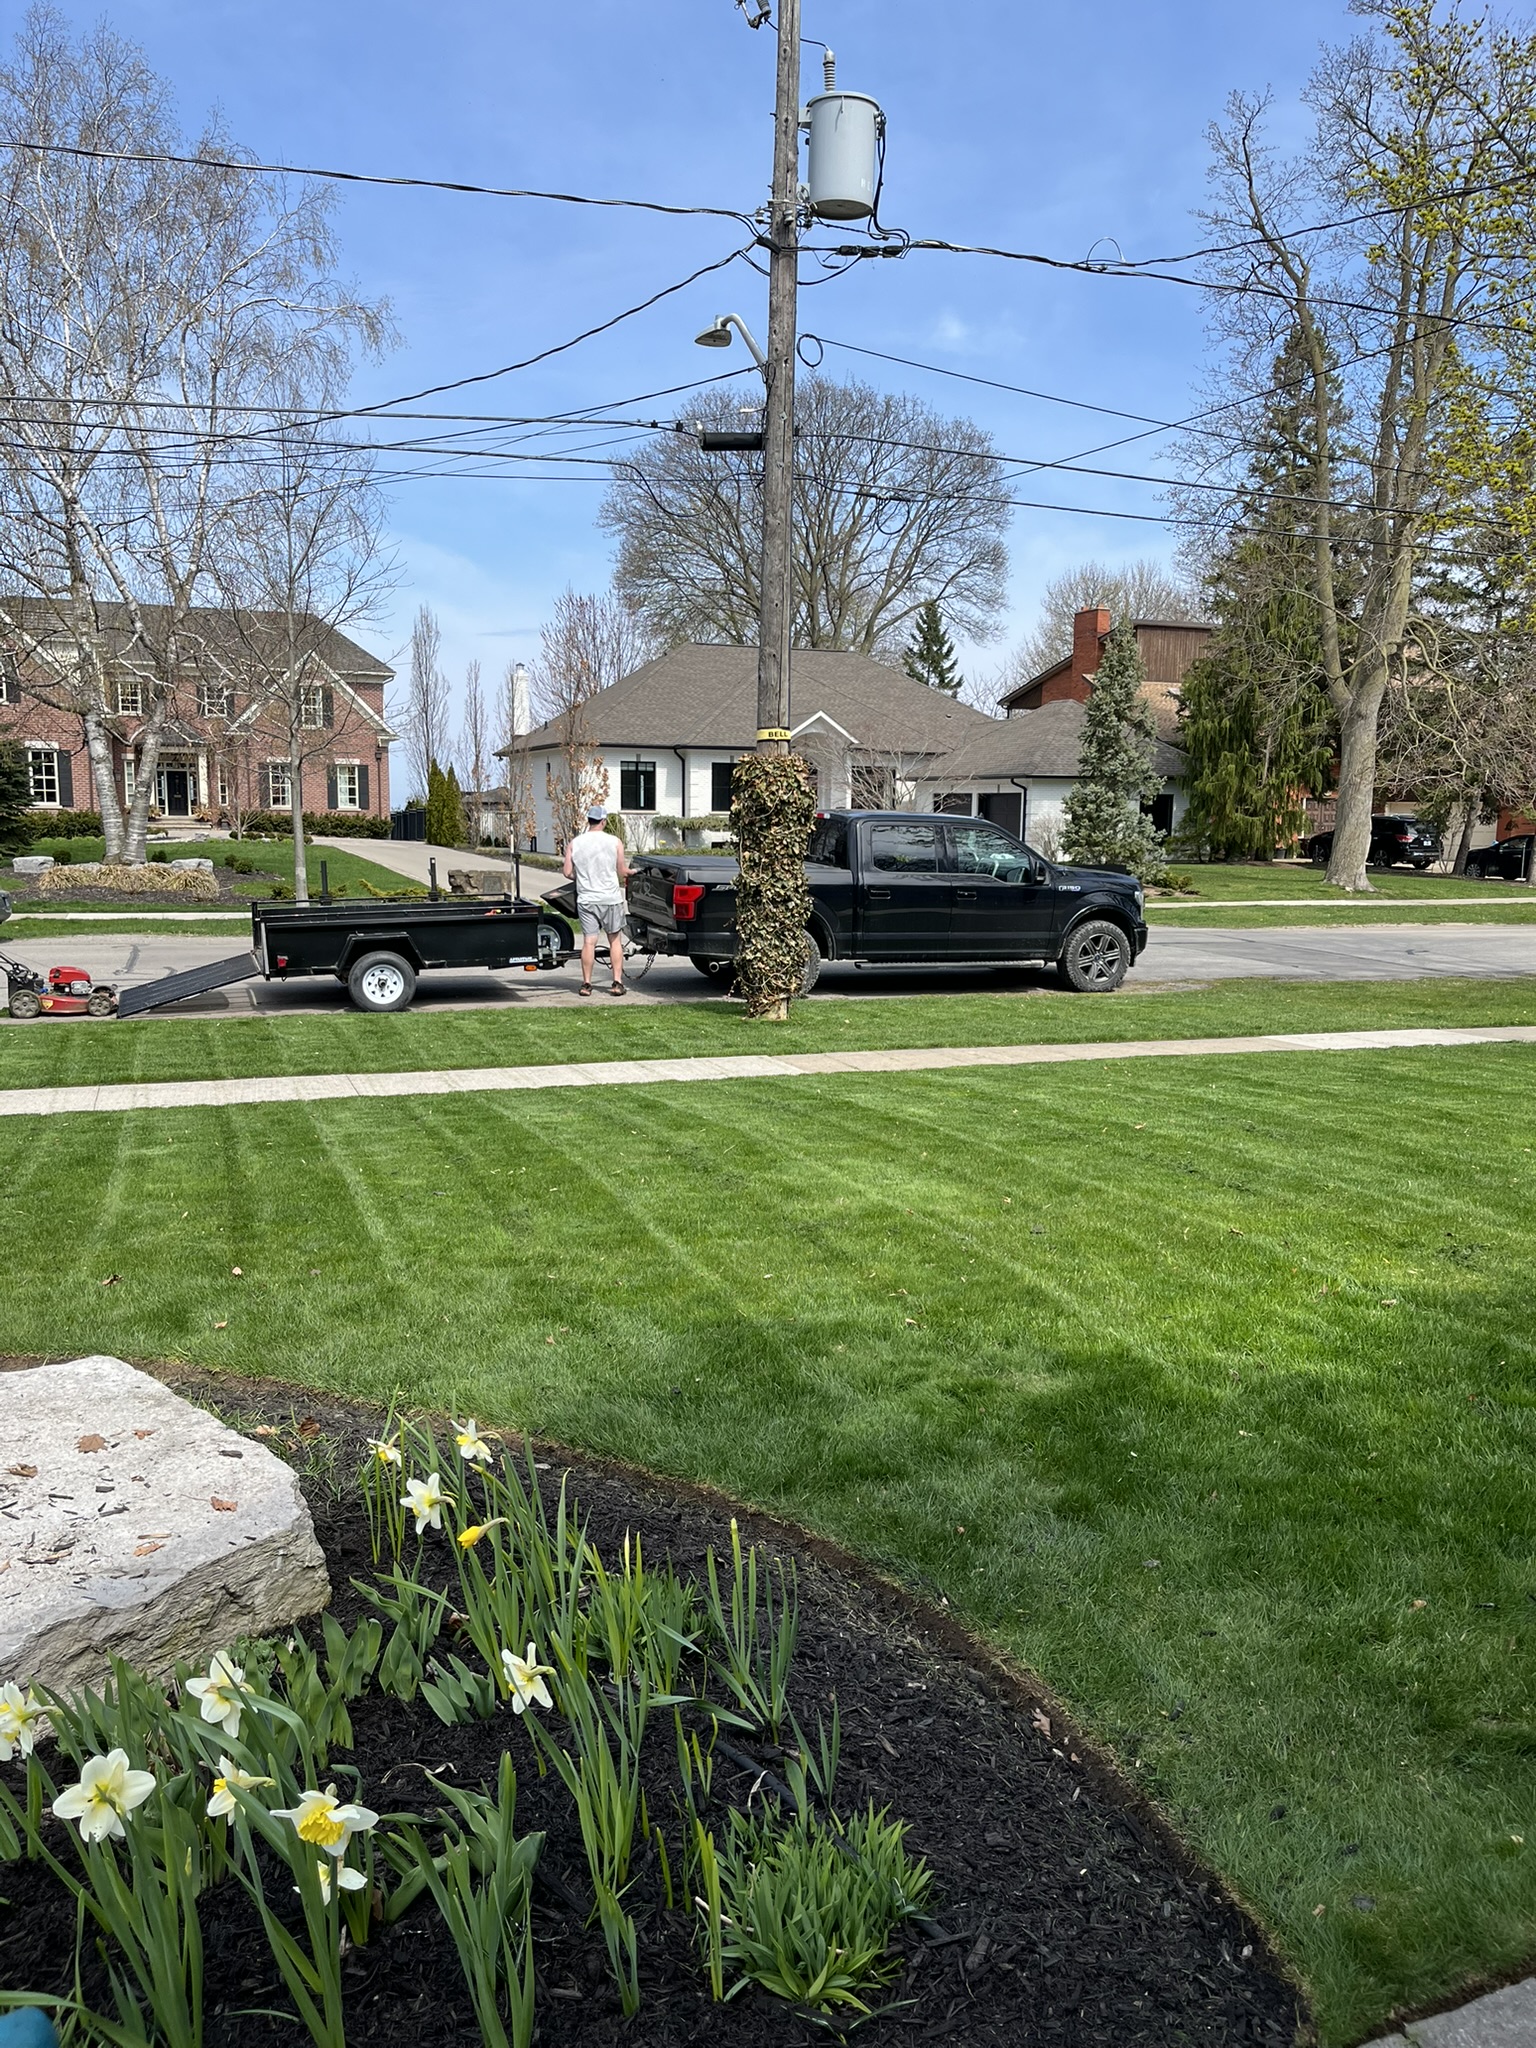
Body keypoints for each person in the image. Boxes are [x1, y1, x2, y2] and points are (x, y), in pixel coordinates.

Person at [563, 805, 633, 995]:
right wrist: (634, 872)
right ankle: (617, 983)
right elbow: (622, 871)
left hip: (586, 899)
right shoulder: (614, 842)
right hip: (610, 898)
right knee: (615, 941)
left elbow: (567, 872)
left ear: (588, 821)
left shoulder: (575, 843)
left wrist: (583, 878)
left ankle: (586, 984)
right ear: (603, 821)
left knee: (589, 942)